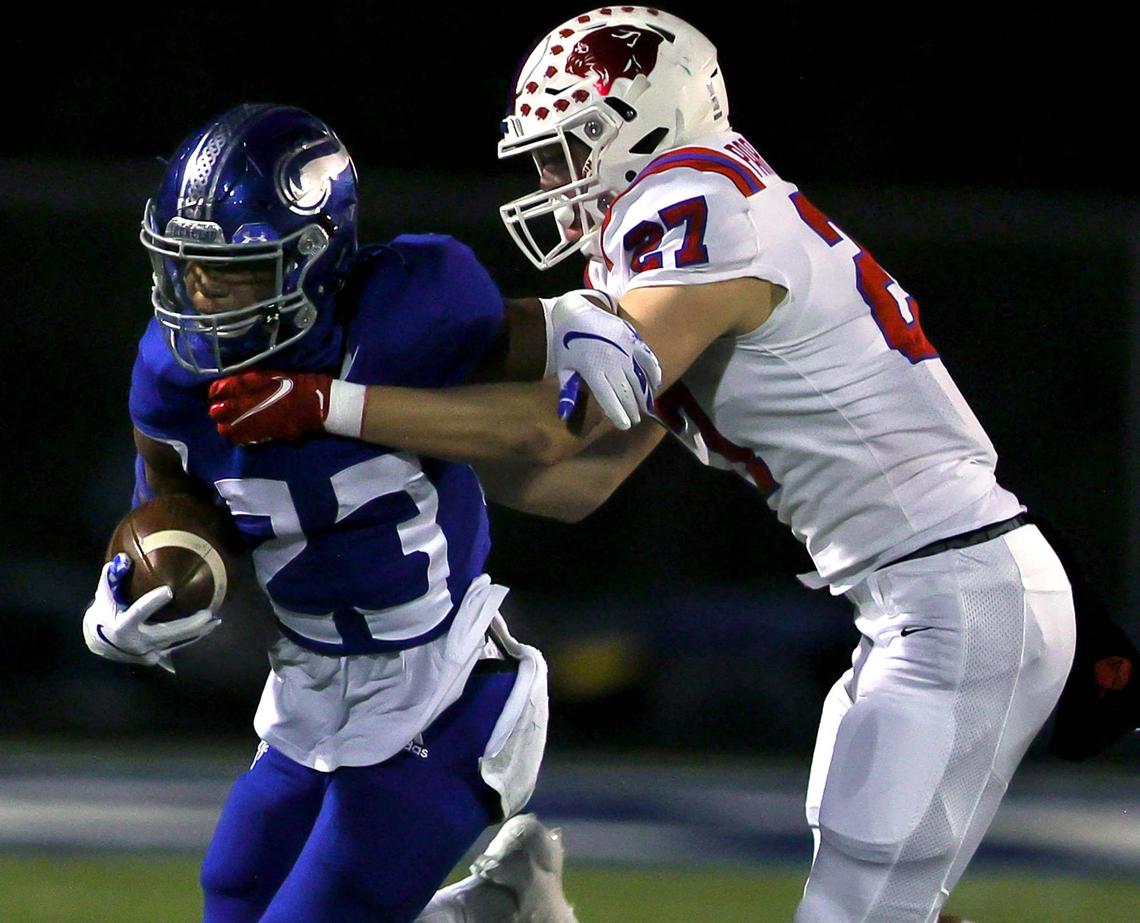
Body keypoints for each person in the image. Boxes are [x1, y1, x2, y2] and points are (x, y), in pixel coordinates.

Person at [201, 8, 1117, 922]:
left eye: (570, 149)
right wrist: (395, 434)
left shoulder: (699, 203)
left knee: (859, 910)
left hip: (959, 594)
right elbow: (572, 484)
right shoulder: (688, 244)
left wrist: (341, 399)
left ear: (646, 122)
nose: (554, 180)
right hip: (928, 597)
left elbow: (561, 427)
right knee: (889, 907)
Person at [79, 102, 661, 922]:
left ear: (316, 260)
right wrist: (125, 598)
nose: (202, 296)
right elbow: (172, 506)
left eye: (233, 272)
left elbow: (530, 332)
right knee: (234, 892)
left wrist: (578, 320)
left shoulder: (410, 305)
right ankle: (498, 911)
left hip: (447, 688)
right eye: (189, 268)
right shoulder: (171, 376)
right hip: (307, 692)